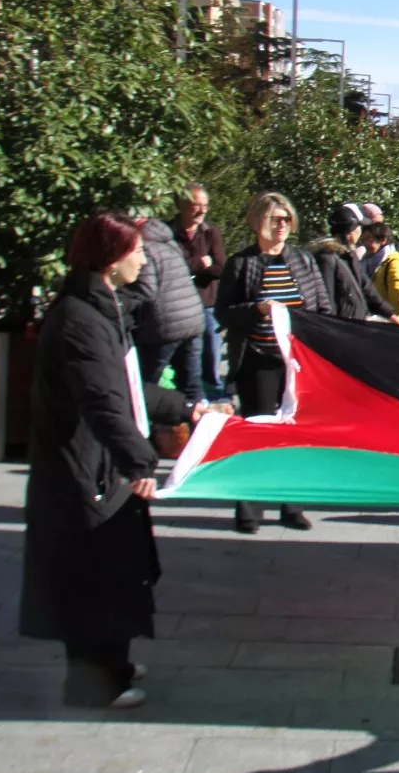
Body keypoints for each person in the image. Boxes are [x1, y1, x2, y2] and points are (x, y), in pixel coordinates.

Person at [21, 210, 212, 710]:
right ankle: (93, 683)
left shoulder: (103, 307)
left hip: (101, 466)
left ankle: (114, 665)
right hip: (85, 470)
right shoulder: (81, 319)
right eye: (138, 251)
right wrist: (140, 463)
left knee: (115, 571)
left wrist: (189, 407)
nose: (144, 258)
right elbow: (104, 400)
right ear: (112, 258)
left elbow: (128, 386)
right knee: (94, 577)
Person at [217, 192, 334, 536]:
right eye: (275, 219)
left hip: (296, 364)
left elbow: (322, 308)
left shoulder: (303, 261)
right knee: (258, 432)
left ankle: (291, 505)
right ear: (258, 222)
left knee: (295, 433)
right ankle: (248, 508)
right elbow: (223, 312)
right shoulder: (242, 264)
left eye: (286, 219)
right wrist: (257, 309)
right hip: (258, 360)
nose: (282, 225)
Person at [128, 213, 206, 405]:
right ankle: (201, 429)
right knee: (192, 386)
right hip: (193, 317)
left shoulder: (143, 247)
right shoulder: (167, 241)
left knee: (145, 386)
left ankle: (149, 430)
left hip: (165, 325)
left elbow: (146, 289)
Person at [171, 183, 226, 400]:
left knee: (211, 357)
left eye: (205, 206)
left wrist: (188, 268)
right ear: (181, 205)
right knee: (181, 359)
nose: (202, 211)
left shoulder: (210, 232)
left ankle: (213, 400)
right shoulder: (168, 232)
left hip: (206, 304)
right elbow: (169, 269)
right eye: (196, 205)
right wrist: (199, 263)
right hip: (177, 307)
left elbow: (220, 267)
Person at [312, 204, 399, 323]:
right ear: (351, 229)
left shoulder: (350, 255)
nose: (361, 231)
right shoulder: (326, 258)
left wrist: (390, 315)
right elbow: (326, 300)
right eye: (359, 226)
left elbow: (367, 289)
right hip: (341, 328)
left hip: (356, 326)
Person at [361, 223, 399, 319]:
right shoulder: (365, 261)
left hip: (389, 321)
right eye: (363, 239)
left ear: (383, 240)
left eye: (369, 239)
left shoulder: (394, 262)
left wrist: (390, 315)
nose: (365, 243)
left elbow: (398, 298)